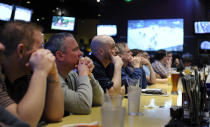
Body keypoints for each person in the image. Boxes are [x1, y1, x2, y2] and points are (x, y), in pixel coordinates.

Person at [0, 21, 64, 127]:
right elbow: (22, 124)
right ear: (21, 50)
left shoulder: (29, 72)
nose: (45, 52)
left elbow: (55, 115)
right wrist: (41, 72)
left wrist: (54, 75)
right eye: (40, 47)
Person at [45, 32, 104, 115]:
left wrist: (89, 75)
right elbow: (84, 106)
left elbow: (100, 99)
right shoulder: (50, 79)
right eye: (75, 49)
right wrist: (83, 74)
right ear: (60, 55)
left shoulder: (71, 74)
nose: (81, 53)